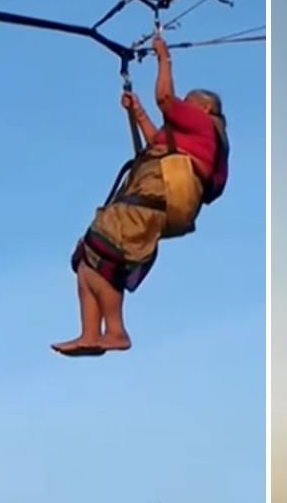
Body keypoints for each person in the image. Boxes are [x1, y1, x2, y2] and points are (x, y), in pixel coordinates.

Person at [53, 33, 229, 357]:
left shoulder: (205, 125)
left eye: (186, 104)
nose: (180, 109)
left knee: (103, 238)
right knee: (86, 260)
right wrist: (136, 110)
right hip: (152, 197)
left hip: (157, 198)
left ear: (204, 107)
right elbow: (157, 143)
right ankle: (92, 333)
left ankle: (116, 332)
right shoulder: (186, 140)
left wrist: (164, 57)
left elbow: (165, 98)